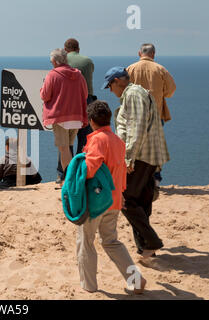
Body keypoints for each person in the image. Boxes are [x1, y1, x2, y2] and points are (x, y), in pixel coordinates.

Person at [77, 100, 146, 294]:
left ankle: (88, 286)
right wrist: (121, 193)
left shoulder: (97, 140)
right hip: (114, 199)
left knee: (86, 241)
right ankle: (136, 280)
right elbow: (122, 172)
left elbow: (90, 170)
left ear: (91, 121)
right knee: (111, 241)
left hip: (96, 201)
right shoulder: (118, 141)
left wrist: (77, 172)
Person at [102, 67, 170, 258]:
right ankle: (146, 249)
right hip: (148, 155)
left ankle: (151, 241)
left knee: (124, 199)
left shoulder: (132, 94)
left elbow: (137, 128)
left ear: (117, 81)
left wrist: (128, 158)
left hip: (140, 156)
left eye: (109, 86)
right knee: (142, 200)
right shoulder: (138, 93)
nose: (110, 90)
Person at [126, 43, 176, 186]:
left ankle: (135, 178)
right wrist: (161, 94)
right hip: (155, 115)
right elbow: (171, 90)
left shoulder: (130, 69)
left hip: (135, 116)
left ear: (139, 53)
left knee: (135, 147)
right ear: (153, 54)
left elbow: (123, 90)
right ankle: (155, 178)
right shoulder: (160, 69)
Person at [40, 48, 88, 186]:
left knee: (64, 149)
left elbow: (45, 95)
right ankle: (73, 177)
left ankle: (69, 179)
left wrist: (41, 90)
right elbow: (84, 94)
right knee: (69, 146)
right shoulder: (78, 75)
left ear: (55, 61)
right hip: (76, 116)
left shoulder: (53, 75)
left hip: (60, 117)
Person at [56, 39, 97, 184]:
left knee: (65, 141)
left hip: (68, 103)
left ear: (65, 49)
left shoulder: (62, 61)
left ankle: (63, 173)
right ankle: (82, 171)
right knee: (84, 138)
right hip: (87, 101)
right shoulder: (88, 61)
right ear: (78, 48)